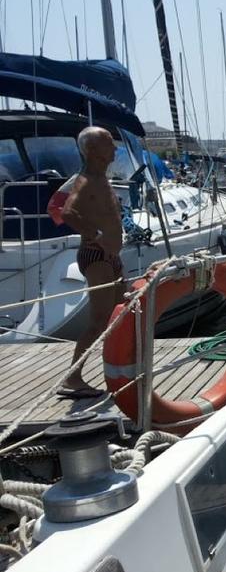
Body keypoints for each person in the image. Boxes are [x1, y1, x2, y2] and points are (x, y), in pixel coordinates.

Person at [58, 127, 124, 398]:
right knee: (99, 320)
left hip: (110, 258)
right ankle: (72, 378)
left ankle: (121, 368)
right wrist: (97, 237)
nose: (115, 149)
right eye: (109, 144)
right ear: (93, 150)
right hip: (96, 257)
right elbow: (68, 212)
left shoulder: (100, 178)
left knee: (119, 315)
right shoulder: (86, 181)